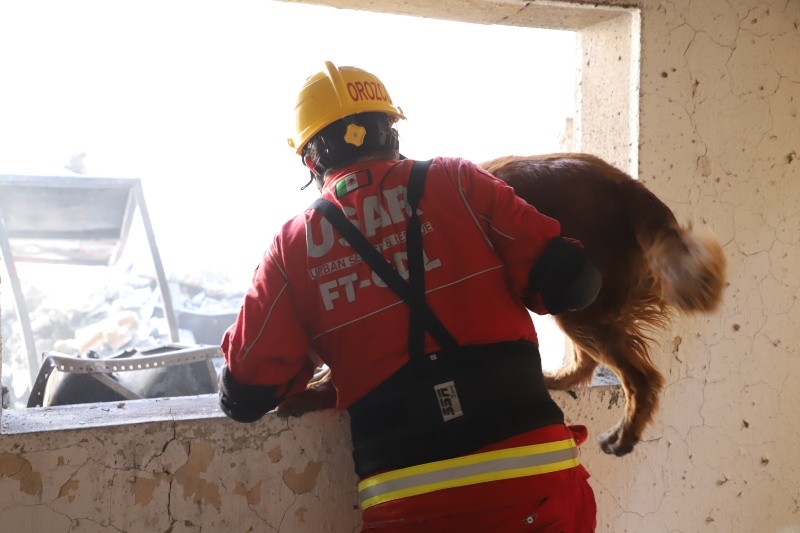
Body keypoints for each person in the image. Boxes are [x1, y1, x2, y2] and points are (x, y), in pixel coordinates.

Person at [218, 61, 600, 532]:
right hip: (535, 482)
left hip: (410, 506)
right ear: (392, 134)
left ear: (311, 163)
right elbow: (574, 284)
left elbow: (243, 394)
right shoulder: (459, 181)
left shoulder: (291, 247)